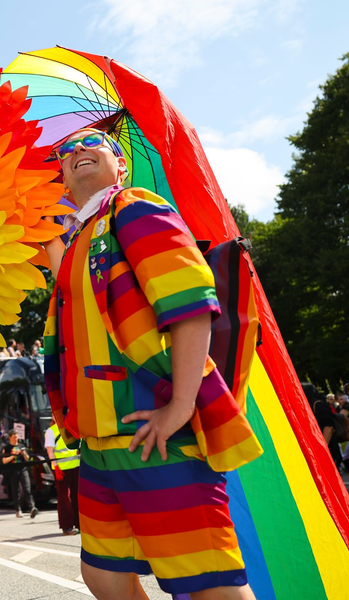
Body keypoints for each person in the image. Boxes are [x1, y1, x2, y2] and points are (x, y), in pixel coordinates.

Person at [42, 128, 261, 599]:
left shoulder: (133, 205)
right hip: (99, 442)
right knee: (103, 575)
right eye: (66, 151)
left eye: (94, 143)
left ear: (120, 165)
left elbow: (190, 303)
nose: (77, 150)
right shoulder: (83, 237)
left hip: (154, 432)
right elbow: (74, 289)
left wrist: (180, 405)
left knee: (209, 583)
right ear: (61, 177)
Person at [44, 417, 80, 535]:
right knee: (65, 498)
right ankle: (67, 527)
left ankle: (79, 524)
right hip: (62, 469)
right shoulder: (51, 431)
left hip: (76, 466)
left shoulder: (71, 427)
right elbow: (50, 451)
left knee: (77, 496)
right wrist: (56, 467)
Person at [0, 430, 38, 519]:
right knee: (15, 491)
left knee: (27, 489)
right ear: (10, 438)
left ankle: (32, 508)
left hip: (23, 470)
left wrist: (24, 454)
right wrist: (14, 455)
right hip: (12, 471)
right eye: (14, 437)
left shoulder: (21, 446)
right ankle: (18, 510)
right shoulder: (7, 447)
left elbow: (27, 459)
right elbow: (4, 461)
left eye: (17, 437)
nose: (16, 439)